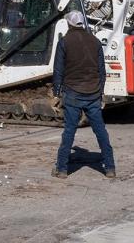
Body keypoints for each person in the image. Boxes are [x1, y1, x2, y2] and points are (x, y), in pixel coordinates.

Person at [51, 11, 116, 179]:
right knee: (101, 131)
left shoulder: (64, 42)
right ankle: (110, 168)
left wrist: (56, 92)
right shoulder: (94, 42)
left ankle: (62, 169)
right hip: (93, 93)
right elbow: (102, 71)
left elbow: (58, 70)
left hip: (73, 93)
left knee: (69, 132)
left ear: (69, 24)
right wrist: (100, 91)